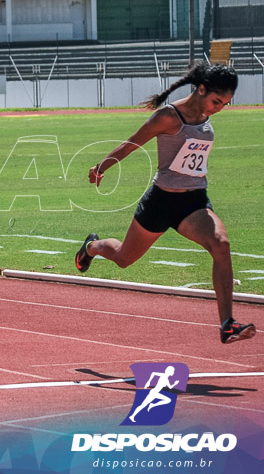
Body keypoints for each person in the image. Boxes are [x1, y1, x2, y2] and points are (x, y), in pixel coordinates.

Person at [76, 62, 255, 344]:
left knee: (221, 244)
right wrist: (101, 167)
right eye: (216, 101)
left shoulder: (205, 113)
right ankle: (92, 247)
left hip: (194, 203)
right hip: (161, 202)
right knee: (124, 258)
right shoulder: (168, 117)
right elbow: (132, 143)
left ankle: (227, 324)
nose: (219, 108)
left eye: (225, 104)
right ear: (201, 89)